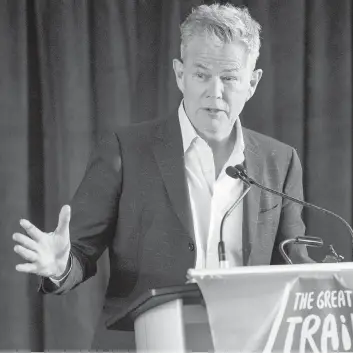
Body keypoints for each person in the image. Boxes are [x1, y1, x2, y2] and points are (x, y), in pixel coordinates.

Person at [12, 3, 312, 350]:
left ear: (252, 82)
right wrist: (60, 265)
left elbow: (294, 266)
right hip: (146, 342)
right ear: (179, 74)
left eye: (230, 77)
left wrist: (335, 288)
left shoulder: (280, 161)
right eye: (201, 75)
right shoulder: (125, 149)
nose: (215, 92)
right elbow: (78, 251)